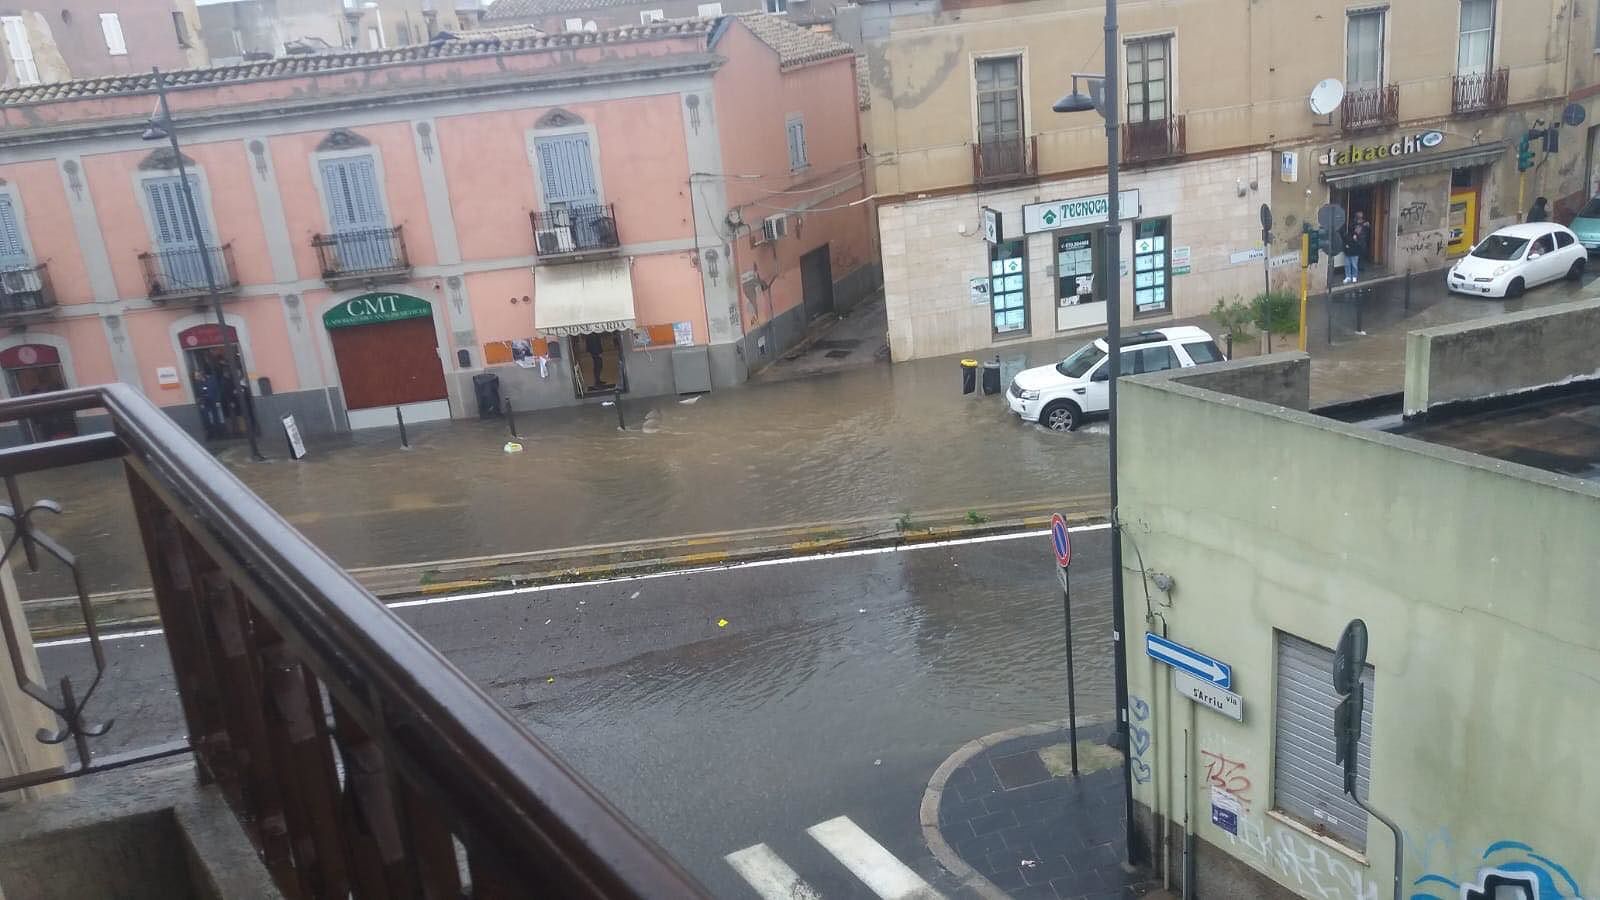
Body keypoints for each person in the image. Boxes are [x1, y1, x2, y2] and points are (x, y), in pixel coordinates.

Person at [1344, 210, 1372, 284]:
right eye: (1359, 215)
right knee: (1349, 262)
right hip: (1353, 243)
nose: (1360, 217)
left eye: (1361, 215)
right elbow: (1353, 230)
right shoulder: (1353, 224)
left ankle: (1356, 273)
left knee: (1360, 257)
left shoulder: (1364, 223)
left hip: (1361, 242)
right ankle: (1349, 276)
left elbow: (1367, 229)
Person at [195, 368, 224, 438]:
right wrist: (201, 402)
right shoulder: (198, 383)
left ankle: (219, 432)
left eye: (197, 375)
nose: (196, 377)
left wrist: (218, 400)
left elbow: (217, 390)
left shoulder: (211, 380)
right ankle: (211, 432)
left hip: (213, 400)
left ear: (201, 375)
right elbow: (198, 394)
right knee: (206, 417)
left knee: (216, 416)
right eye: (196, 376)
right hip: (205, 402)